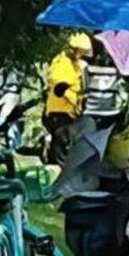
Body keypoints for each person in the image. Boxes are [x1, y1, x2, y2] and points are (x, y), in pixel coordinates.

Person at [44, 33, 93, 164]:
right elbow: (59, 85)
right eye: (81, 52)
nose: (82, 55)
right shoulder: (62, 63)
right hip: (59, 111)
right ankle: (57, 172)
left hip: (69, 112)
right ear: (74, 49)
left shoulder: (75, 64)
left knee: (66, 144)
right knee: (61, 145)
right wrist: (74, 98)